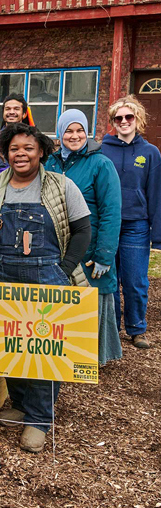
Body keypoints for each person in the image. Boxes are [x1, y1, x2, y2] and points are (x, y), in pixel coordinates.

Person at [0, 122, 91, 454]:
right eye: (14, 149)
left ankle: (39, 418)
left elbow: (83, 230)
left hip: (48, 275)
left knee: (44, 348)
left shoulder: (60, 186)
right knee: (13, 341)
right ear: (5, 153)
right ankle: (21, 403)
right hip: (5, 274)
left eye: (28, 148)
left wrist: (64, 269)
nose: (20, 154)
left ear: (41, 151)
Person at [47, 109, 122, 365]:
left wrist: (105, 254)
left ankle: (92, 357)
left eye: (80, 130)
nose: (74, 135)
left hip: (90, 245)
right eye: (68, 130)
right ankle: (64, 354)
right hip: (57, 245)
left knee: (93, 295)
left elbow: (111, 211)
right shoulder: (51, 162)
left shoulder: (101, 164)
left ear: (87, 132)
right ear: (60, 133)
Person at [101, 95, 161, 350]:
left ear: (138, 119)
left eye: (129, 117)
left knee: (135, 280)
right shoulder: (102, 149)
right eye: (118, 118)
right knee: (109, 278)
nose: (124, 121)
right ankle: (112, 327)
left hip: (136, 225)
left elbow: (156, 193)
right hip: (108, 224)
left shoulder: (150, 153)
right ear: (113, 122)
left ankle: (137, 328)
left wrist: (156, 234)